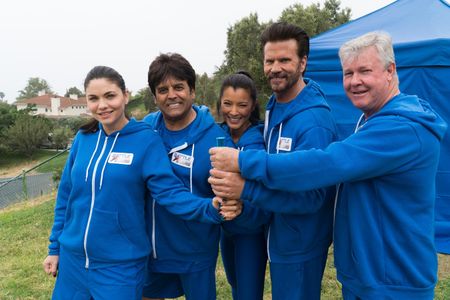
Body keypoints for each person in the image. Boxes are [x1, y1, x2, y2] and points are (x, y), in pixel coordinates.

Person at [209, 31, 448, 299]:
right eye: (348, 73)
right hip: (366, 273)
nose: (355, 81)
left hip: (393, 280)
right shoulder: (371, 118)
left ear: (390, 70)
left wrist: (242, 163)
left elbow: (328, 164)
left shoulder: (401, 128)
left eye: (364, 71)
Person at [42, 66, 240, 300]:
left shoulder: (146, 139)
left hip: (119, 266)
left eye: (110, 96)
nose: (102, 105)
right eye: (93, 99)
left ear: (125, 95)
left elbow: (169, 193)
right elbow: (66, 196)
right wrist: (55, 248)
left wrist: (210, 208)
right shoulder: (83, 138)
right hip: (73, 263)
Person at [211, 22, 338, 300]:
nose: (275, 68)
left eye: (285, 60)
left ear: (303, 63)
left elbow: (312, 197)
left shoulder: (314, 122)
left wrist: (245, 189)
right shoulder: (276, 105)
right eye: (270, 60)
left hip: (300, 243)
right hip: (277, 235)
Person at [141, 53, 234, 300]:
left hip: (195, 252)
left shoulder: (217, 139)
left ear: (192, 91)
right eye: (163, 89)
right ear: (155, 97)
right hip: (152, 249)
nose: (172, 95)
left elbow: (230, 194)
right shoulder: (146, 131)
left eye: (179, 87)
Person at [216, 71, 270, 300]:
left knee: (249, 292)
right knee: (235, 284)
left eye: (242, 105)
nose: (234, 112)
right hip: (225, 229)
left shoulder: (261, 138)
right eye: (228, 104)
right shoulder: (216, 134)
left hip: (251, 231)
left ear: (253, 106)